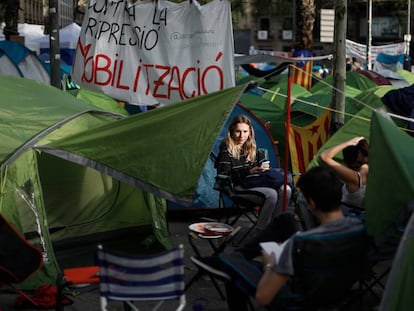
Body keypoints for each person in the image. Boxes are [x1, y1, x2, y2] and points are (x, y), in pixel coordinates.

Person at [191, 166, 365, 310]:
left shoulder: (302, 243)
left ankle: (226, 261)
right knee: (287, 220)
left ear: (311, 202)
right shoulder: (359, 228)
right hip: (330, 283)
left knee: (232, 264)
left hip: (294, 298)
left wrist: (270, 263)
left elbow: (263, 297)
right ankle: (236, 257)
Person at [215, 115, 291, 233]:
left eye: (245, 131)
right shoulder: (226, 150)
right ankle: (261, 232)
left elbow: (262, 165)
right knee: (272, 194)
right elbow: (225, 174)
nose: (242, 135)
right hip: (237, 187)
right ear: (231, 131)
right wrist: (249, 171)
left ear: (250, 132)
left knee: (286, 189)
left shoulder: (253, 149)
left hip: (257, 182)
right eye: (238, 131)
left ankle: (275, 228)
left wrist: (263, 168)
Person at [319, 136, 369, 212]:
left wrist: (348, 143)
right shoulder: (378, 171)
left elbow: (324, 157)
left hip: (348, 218)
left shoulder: (355, 177)